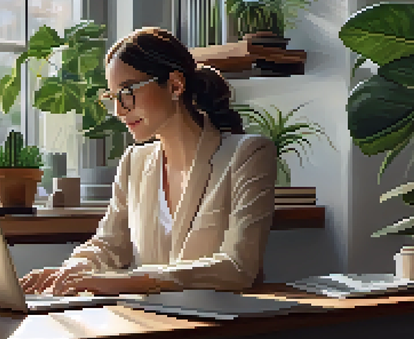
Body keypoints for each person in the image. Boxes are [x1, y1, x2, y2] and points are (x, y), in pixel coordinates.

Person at [20, 27, 276, 296]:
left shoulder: (248, 154)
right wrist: (74, 269)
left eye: (127, 91)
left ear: (175, 85)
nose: (119, 110)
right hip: (147, 324)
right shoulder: (135, 161)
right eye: (113, 97)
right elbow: (109, 244)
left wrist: (133, 281)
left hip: (221, 327)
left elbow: (238, 267)